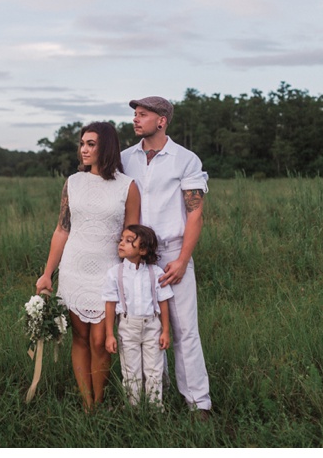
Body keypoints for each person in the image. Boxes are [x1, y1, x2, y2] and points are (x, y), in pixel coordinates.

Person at [35, 121, 141, 410]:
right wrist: (47, 274)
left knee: (100, 341)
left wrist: (131, 277)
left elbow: (132, 236)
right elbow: (62, 229)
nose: (83, 149)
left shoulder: (127, 186)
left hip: (108, 274)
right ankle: (88, 405)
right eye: (82, 143)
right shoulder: (73, 182)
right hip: (74, 269)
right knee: (80, 338)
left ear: (106, 147)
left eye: (91, 144)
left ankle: (102, 397)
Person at [120, 96, 212, 419]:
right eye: (134, 114)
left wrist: (184, 260)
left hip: (173, 252)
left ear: (162, 121)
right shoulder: (125, 158)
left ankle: (198, 403)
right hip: (135, 257)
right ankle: (153, 398)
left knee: (185, 329)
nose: (135, 119)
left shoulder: (184, 160)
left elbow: (195, 214)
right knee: (143, 326)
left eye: (142, 114)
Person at [102, 224, 172, 407]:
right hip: (127, 327)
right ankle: (133, 408)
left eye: (129, 241)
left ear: (143, 249)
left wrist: (165, 330)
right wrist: (109, 334)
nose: (122, 244)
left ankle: (155, 408)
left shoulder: (155, 273)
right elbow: (110, 304)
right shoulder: (115, 274)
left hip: (153, 327)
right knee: (130, 371)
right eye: (122, 239)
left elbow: (163, 303)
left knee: (154, 370)